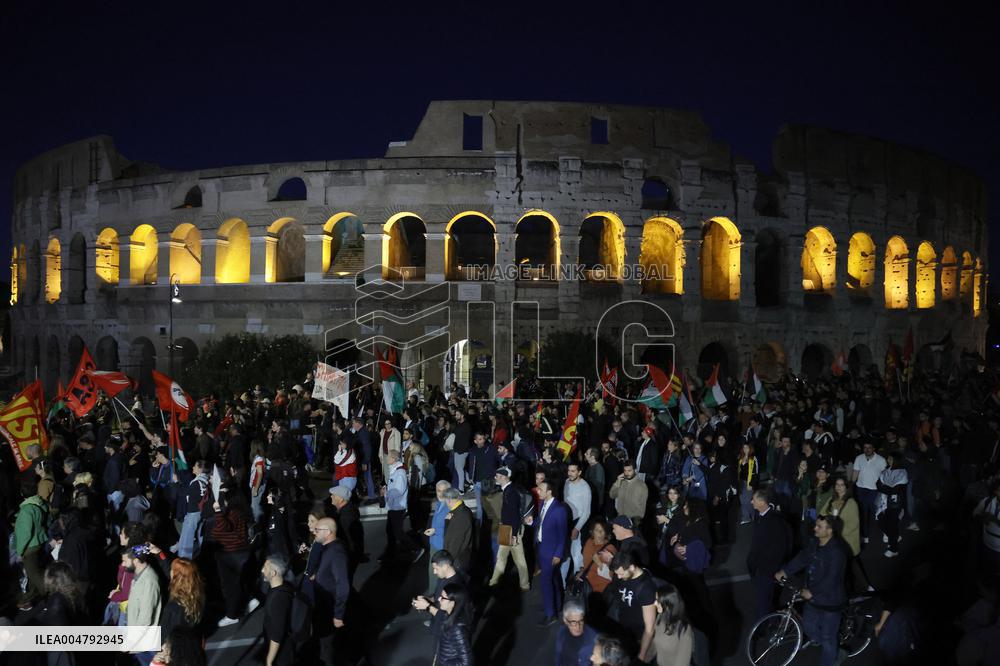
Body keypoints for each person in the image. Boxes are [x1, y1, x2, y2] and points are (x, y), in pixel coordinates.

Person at [775, 515, 848, 666]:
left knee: (828, 638)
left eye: (819, 527)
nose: (815, 528)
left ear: (830, 531)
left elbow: (832, 579)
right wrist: (785, 571)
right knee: (809, 628)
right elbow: (803, 558)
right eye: (816, 525)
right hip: (812, 598)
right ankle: (833, 649)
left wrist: (812, 592)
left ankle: (831, 655)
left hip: (830, 601)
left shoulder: (837, 552)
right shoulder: (815, 543)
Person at [211, 490, 259, 627]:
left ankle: (232, 615)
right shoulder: (242, 511)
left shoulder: (232, 513)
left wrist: (218, 511)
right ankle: (250, 599)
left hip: (230, 552)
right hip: (240, 552)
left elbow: (223, 527)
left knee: (230, 586)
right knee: (239, 581)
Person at [746, 490, 790, 620]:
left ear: (762, 502)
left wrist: (765, 567)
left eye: (754, 499)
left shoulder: (775, 522)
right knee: (765, 600)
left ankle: (763, 628)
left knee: (763, 601)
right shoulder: (759, 515)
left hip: (766, 569)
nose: (751, 501)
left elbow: (778, 548)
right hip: (760, 567)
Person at [605, 550, 657, 660]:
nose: (618, 577)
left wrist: (642, 654)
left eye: (621, 573)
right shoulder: (623, 576)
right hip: (624, 634)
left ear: (632, 567)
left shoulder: (646, 588)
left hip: (639, 639)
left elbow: (649, 627)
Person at [313, 517, 350, 665]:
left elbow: (343, 585)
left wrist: (338, 614)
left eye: (317, 530)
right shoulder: (328, 548)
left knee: (328, 647)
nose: (314, 532)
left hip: (330, 610)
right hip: (323, 607)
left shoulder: (336, 552)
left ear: (328, 532)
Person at [532, 479, 570, 626]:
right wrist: (531, 522)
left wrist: (558, 554)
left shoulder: (559, 509)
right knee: (553, 579)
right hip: (542, 547)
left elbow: (562, 534)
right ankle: (556, 605)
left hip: (551, 552)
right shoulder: (543, 504)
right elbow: (540, 521)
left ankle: (550, 614)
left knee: (545, 582)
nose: (537, 490)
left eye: (541, 489)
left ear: (549, 492)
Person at [489, 466, 530, 590]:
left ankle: (493, 583)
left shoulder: (510, 493)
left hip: (510, 530)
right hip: (508, 529)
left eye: (498, 476)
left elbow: (514, 516)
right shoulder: (509, 490)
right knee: (518, 559)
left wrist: (513, 535)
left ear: (504, 477)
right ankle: (524, 584)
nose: (496, 478)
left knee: (502, 558)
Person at [380, 449, 424, 563]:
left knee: (397, 532)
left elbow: (398, 490)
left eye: (388, 457)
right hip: (393, 506)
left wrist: (386, 493)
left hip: (398, 507)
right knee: (390, 531)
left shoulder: (400, 473)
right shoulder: (395, 471)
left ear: (394, 459)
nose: (386, 459)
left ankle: (416, 549)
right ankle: (390, 553)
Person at [125, 544, 162, 666]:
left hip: (146, 644)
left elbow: (145, 619)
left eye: (125, 561)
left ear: (135, 561)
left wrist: (130, 641)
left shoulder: (149, 581)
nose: (123, 564)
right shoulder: (137, 576)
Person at [159, 558, 204, 651]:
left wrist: (163, 647)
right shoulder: (196, 592)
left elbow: (172, 631)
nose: (170, 571)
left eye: (172, 569)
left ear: (176, 576)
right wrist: (160, 555)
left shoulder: (175, 606)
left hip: (172, 649)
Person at [261, 555, 296, 666]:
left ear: (273, 573)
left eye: (265, 568)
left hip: (282, 655)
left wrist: (269, 660)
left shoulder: (278, 599)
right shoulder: (284, 588)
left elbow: (277, 634)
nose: (262, 570)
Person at [851, 441, 887, 546]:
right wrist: (850, 487)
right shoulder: (859, 458)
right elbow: (855, 473)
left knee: (878, 513)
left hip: (874, 490)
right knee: (863, 513)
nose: (867, 449)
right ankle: (865, 536)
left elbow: (885, 475)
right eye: (865, 447)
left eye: (869, 447)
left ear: (874, 448)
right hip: (861, 489)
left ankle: (886, 532)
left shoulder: (881, 460)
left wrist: (885, 491)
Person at [650, 582, 693, 666]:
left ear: (668, 604)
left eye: (658, 601)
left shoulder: (684, 630)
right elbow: (654, 645)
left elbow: (682, 663)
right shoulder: (660, 618)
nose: (654, 603)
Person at [432, 582, 473, 666]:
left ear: (452, 603)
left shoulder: (457, 628)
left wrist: (445, 663)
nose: (439, 599)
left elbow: (467, 662)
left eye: (443, 598)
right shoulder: (447, 615)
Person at [876, 452, 908, 558]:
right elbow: (878, 484)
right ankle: (894, 537)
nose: (888, 460)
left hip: (895, 504)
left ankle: (893, 548)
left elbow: (894, 490)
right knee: (880, 520)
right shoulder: (885, 471)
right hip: (883, 502)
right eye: (888, 458)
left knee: (892, 525)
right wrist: (884, 487)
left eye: (890, 459)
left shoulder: (902, 473)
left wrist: (883, 487)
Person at [424, 480, 453, 594]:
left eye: (444, 491)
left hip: (442, 545)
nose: (440, 494)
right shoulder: (439, 504)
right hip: (434, 543)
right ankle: (435, 594)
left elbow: (450, 528)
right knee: (433, 571)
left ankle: (436, 596)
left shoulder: (450, 506)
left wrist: (435, 531)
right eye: (438, 491)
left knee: (438, 573)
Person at [565, 462, 593, 573]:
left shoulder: (585, 488)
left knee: (577, 556)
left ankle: (577, 582)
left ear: (579, 472)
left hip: (578, 524)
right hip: (568, 521)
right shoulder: (567, 482)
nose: (570, 473)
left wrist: (577, 528)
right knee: (566, 554)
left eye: (573, 471)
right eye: (569, 471)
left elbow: (587, 512)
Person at [554, 598, 598, 666]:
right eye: (573, 622)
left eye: (581, 621)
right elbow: (558, 656)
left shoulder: (594, 638)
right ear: (565, 620)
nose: (578, 626)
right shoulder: (561, 631)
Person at [442, 486, 474, 573]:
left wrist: (447, 562)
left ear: (448, 500)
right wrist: (447, 521)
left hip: (457, 561)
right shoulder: (461, 510)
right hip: (458, 558)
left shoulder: (460, 516)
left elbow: (455, 542)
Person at [609, 460, 648, 526]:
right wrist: (617, 482)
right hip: (620, 518)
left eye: (629, 470)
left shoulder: (642, 486)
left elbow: (642, 508)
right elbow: (612, 495)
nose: (626, 473)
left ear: (635, 470)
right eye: (625, 470)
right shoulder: (621, 482)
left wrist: (636, 523)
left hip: (632, 522)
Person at [737, 443, 759, 525]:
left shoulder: (753, 458)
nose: (745, 449)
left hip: (749, 483)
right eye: (744, 448)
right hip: (741, 482)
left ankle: (753, 515)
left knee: (747, 501)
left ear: (750, 449)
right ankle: (746, 517)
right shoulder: (740, 458)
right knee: (742, 500)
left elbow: (756, 473)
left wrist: (751, 484)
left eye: (747, 448)